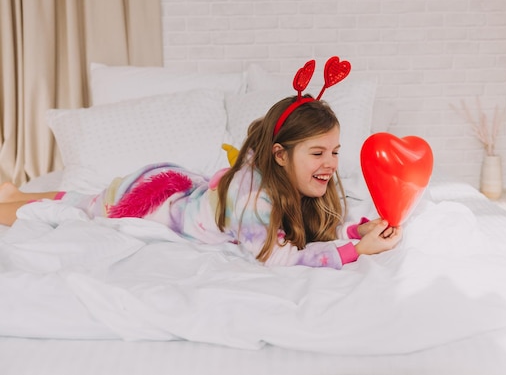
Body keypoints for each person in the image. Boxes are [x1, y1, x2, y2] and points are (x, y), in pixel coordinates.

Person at [0, 58, 402, 269]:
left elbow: (304, 232)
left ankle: (16, 191)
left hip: (183, 191)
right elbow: (278, 257)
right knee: (75, 211)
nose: (330, 163)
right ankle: (8, 205)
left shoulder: (300, 184)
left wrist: (354, 229)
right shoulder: (254, 197)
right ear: (280, 155)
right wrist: (355, 251)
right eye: (317, 153)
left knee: (83, 199)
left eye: (334, 152)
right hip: (153, 201)